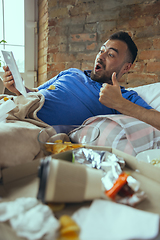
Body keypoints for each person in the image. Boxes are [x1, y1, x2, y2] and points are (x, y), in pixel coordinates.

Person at [2, 31, 159, 129]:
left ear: (126, 67)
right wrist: (18, 87)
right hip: (14, 108)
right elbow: (35, 93)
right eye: (101, 50)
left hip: (34, 126)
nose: (101, 56)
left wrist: (120, 103)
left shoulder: (123, 96)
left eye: (110, 54)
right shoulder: (72, 73)